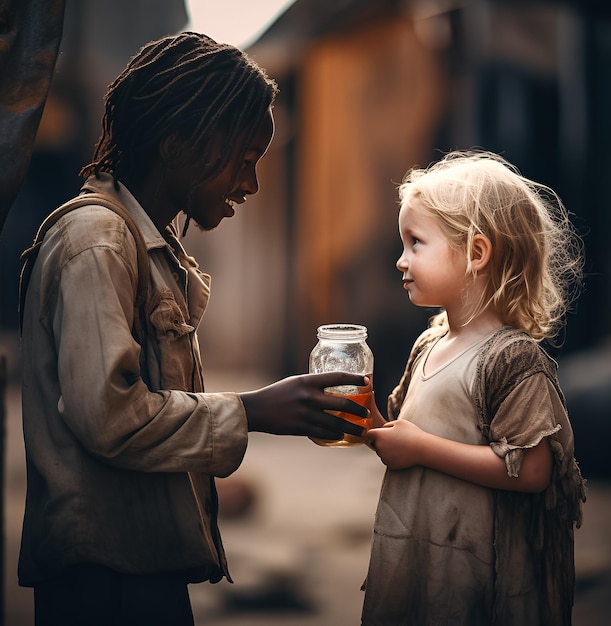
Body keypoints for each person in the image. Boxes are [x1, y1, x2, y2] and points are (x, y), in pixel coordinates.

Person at [18, 32, 368, 626]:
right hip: (101, 582)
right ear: (178, 146)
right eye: (245, 158)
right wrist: (251, 410)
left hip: (145, 562)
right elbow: (109, 417)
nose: (252, 184)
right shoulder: (96, 243)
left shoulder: (149, 247)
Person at [362, 150, 586, 626]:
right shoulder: (430, 342)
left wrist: (419, 448)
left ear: (477, 253)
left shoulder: (510, 358)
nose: (400, 260)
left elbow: (531, 469)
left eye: (415, 243)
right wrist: (365, 419)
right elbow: (407, 437)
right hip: (423, 556)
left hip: (480, 575)